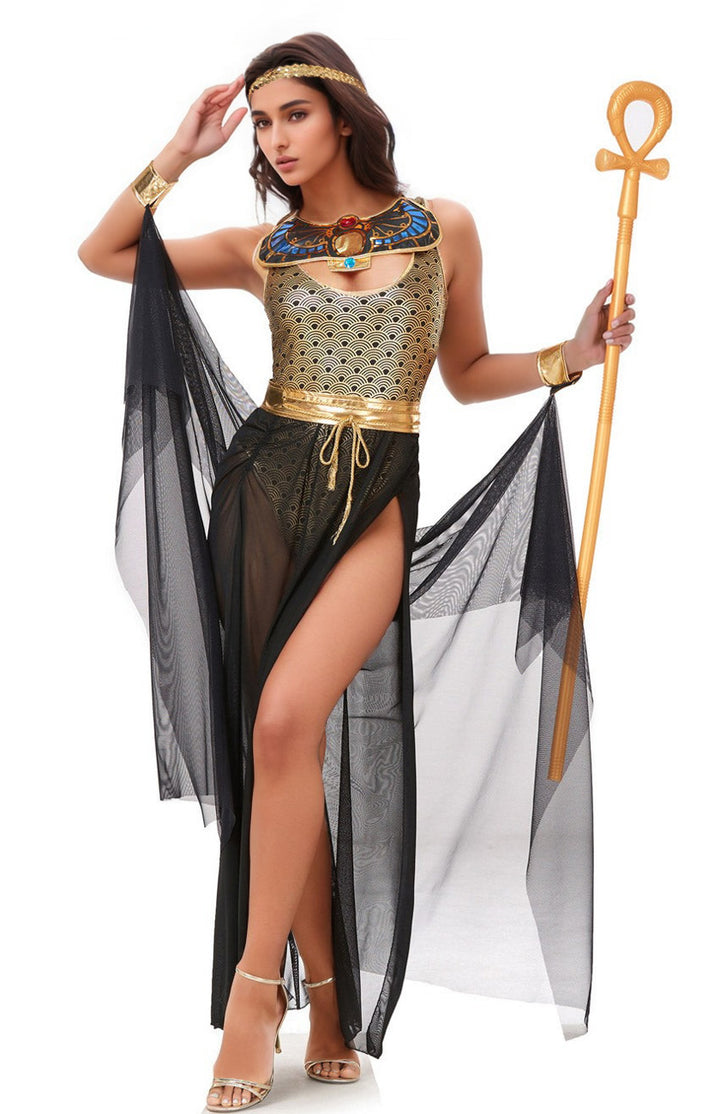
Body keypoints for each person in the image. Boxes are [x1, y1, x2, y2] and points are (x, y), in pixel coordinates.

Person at [78, 31, 635, 1113]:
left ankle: (253, 995)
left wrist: (571, 357)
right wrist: (179, 153)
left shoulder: (443, 229)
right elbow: (107, 254)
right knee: (282, 742)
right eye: (263, 121)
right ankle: (323, 998)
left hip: (377, 495)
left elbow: (464, 374)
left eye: (294, 113)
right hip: (266, 492)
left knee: (288, 721)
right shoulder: (264, 247)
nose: (277, 138)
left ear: (344, 114)